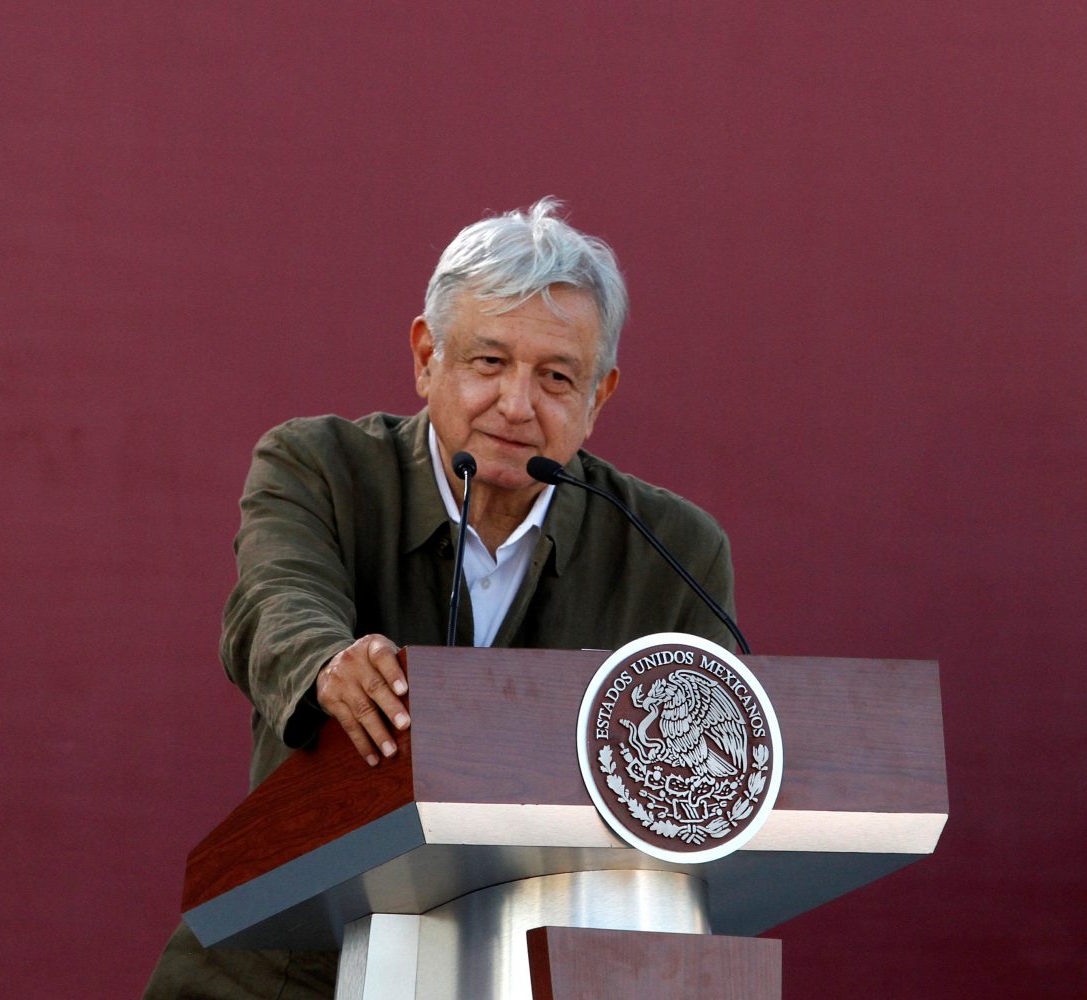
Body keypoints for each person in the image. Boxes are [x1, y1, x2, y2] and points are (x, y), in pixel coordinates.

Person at [142, 198, 738, 999]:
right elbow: (275, 604)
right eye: (488, 363)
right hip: (289, 971)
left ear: (600, 395)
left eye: (556, 377)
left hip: (538, 977)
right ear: (427, 357)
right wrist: (328, 663)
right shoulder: (318, 467)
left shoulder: (674, 549)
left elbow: (716, 797)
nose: (517, 405)